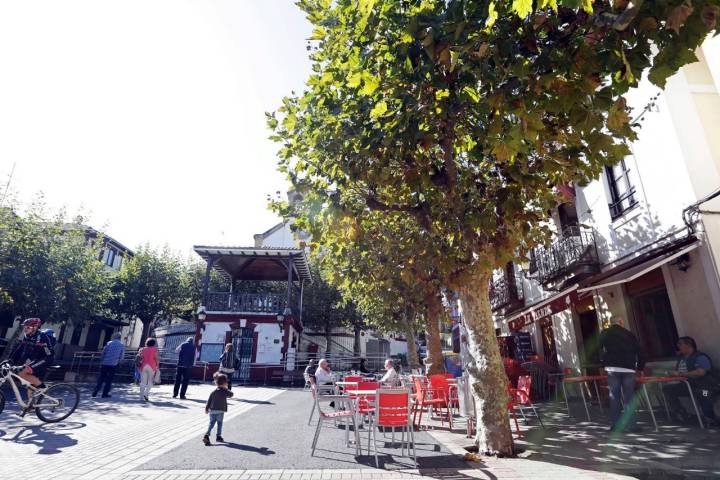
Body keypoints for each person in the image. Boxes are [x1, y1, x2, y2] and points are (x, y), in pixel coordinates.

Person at [599, 317, 644, 433]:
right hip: (629, 368)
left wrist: (602, 363)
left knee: (614, 397)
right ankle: (632, 425)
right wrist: (640, 367)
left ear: (611, 323)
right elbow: (640, 350)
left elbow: (597, 350)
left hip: (612, 368)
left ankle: (616, 425)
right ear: (621, 322)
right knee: (629, 397)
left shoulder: (605, 333)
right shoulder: (629, 334)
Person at [665, 336, 719, 425]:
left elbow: (701, 372)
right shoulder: (681, 358)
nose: (678, 346)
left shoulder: (700, 357)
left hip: (705, 387)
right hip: (688, 386)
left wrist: (681, 374)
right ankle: (681, 413)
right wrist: (673, 373)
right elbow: (679, 372)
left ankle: (711, 418)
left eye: (680, 344)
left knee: (703, 394)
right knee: (668, 389)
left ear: (689, 345)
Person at [10, 318, 54, 396]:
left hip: (46, 359)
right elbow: (20, 349)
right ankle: (31, 406)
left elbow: (33, 353)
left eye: (28, 327)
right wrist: (10, 360)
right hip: (37, 360)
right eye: (25, 327)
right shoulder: (27, 336)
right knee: (31, 387)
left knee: (23, 372)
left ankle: (43, 388)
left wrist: (22, 366)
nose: (25, 329)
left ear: (35, 327)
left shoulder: (41, 337)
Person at [203, 373, 234, 445]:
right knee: (219, 423)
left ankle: (206, 435)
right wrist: (226, 389)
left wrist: (206, 409)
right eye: (226, 382)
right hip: (220, 411)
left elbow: (209, 401)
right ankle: (218, 436)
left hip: (212, 411)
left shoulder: (213, 392)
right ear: (224, 383)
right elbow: (231, 394)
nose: (227, 383)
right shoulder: (224, 391)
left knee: (211, 423)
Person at [93, 332, 125, 398]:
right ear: (120, 337)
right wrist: (118, 361)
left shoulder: (109, 343)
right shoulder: (121, 345)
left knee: (101, 378)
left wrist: (101, 361)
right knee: (109, 379)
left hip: (105, 363)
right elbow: (122, 356)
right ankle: (105, 393)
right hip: (113, 364)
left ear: (114, 337)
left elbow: (103, 352)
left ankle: (96, 390)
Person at [139, 337, 160, 402]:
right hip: (152, 366)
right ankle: (146, 393)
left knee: (143, 382)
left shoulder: (143, 349)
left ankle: (141, 396)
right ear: (153, 343)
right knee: (150, 381)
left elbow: (141, 357)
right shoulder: (155, 349)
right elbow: (156, 358)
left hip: (143, 366)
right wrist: (157, 365)